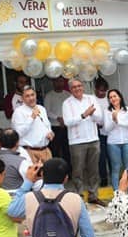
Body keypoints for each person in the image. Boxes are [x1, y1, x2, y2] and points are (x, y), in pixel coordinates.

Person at [62, 78, 105, 206]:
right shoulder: (67, 103)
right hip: (77, 141)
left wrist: (91, 115)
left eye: (79, 86)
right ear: (70, 89)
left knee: (93, 169)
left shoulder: (91, 98)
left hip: (93, 138)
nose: (78, 88)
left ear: (83, 87)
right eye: (74, 87)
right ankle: (79, 196)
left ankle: (93, 195)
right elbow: (67, 122)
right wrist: (84, 115)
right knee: (78, 170)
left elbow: (100, 118)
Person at [12, 85, 54, 164]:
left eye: (32, 95)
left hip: (45, 151)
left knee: (50, 175)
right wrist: (31, 118)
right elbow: (18, 133)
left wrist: (50, 132)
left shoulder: (41, 108)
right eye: (27, 96)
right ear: (22, 99)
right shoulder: (19, 112)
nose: (31, 98)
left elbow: (47, 125)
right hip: (30, 152)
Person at [104, 89, 128, 191]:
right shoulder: (107, 111)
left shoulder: (127, 110)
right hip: (113, 143)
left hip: (127, 141)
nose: (113, 99)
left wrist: (118, 121)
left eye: (115, 96)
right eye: (110, 97)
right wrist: (114, 120)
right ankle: (117, 194)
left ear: (120, 97)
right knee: (116, 168)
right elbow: (107, 129)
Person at [44, 77, 71, 166]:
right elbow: (46, 111)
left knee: (67, 150)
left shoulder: (68, 94)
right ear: (53, 83)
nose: (59, 83)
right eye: (57, 81)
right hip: (55, 127)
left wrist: (65, 119)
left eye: (61, 81)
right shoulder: (49, 96)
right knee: (55, 150)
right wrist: (58, 118)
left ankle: (68, 171)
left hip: (67, 126)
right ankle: (56, 170)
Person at [94, 77, 111, 187]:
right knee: (101, 156)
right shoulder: (92, 100)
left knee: (112, 155)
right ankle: (103, 177)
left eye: (104, 91)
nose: (102, 93)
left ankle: (114, 175)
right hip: (98, 131)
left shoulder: (109, 99)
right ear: (95, 89)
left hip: (110, 131)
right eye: (99, 90)